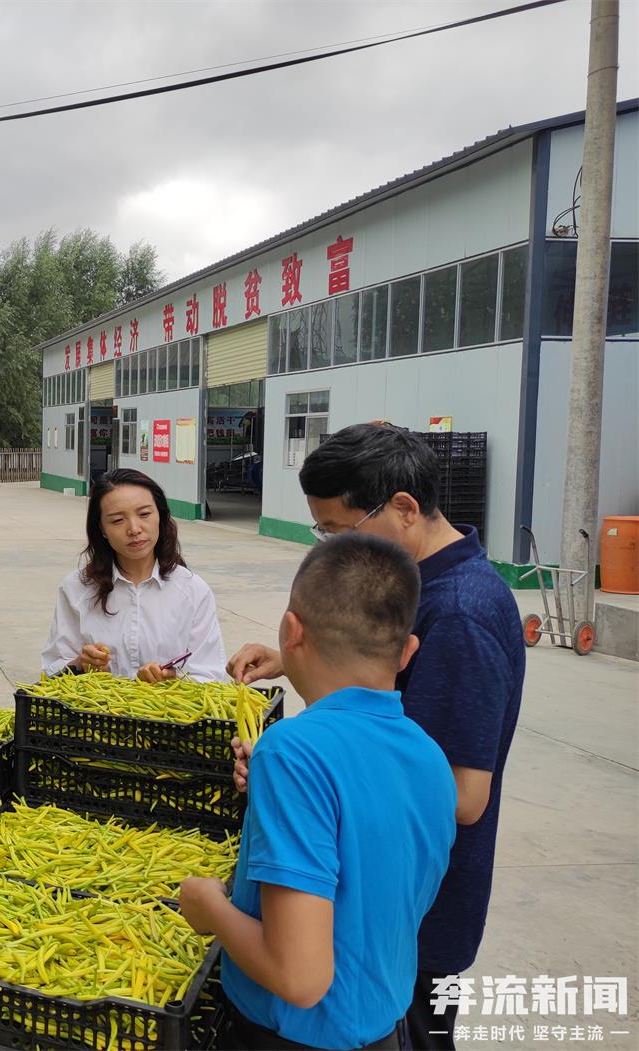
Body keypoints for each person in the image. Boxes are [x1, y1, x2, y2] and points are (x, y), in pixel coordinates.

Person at [226, 423, 525, 1051]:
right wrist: (301, 659)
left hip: (403, 918)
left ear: (404, 509)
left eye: (338, 530)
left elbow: (465, 794)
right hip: (380, 905)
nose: (332, 546)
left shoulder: (460, 614)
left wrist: (308, 780)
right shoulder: (424, 587)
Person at [180, 533, 457, 1051]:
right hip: (383, 1026)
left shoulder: (291, 751)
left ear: (290, 633)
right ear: (408, 651)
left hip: (292, 1037)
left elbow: (300, 978)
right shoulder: (431, 757)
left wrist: (210, 907)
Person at [41, 468, 227, 683]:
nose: (134, 529)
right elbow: (51, 669)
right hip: (98, 713)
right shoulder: (76, 588)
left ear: (161, 516)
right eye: (117, 520)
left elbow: (210, 673)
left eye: (144, 514)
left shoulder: (192, 590)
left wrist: (171, 680)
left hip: (170, 715)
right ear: (101, 529)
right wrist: (80, 664)